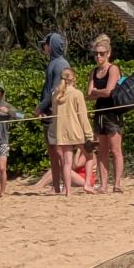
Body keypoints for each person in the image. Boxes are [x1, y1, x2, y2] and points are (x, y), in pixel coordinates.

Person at [88, 35, 125, 193]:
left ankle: (117, 184)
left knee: (115, 150)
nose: (98, 56)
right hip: (99, 112)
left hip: (112, 112)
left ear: (108, 53)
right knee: (101, 150)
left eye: (102, 53)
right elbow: (89, 94)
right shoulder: (94, 71)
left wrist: (97, 91)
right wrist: (98, 92)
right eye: (96, 53)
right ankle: (103, 185)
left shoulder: (113, 69)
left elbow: (109, 91)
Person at [36, 32, 71, 192]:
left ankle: (65, 185)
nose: (44, 46)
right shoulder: (52, 63)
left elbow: (56, 91)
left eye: (46, 43)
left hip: (57, 113)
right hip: (49, 113)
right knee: (52, 152)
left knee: (59, 151)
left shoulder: (61, 64)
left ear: (52, 45)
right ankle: (56, 185)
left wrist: (41, 106)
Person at [52, 67, 94, 196]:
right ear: (73, 79)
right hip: (76, 130)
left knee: (67, 162)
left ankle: (68, 190)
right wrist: (89, 134)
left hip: (62, 132)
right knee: (89, 156)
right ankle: (87, 184)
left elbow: (54, 114)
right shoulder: (77, 94)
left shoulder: (56, 95)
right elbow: (83, 116)